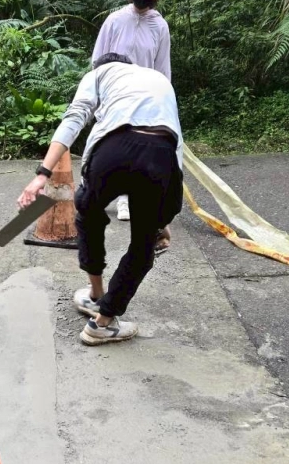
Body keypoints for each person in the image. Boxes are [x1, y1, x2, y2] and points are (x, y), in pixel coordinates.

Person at [17, 54, 183, 346]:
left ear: (101, 65)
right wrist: (163, 218)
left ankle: (95, 294)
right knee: (144, 244)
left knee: (89, 214)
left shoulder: (98, 75)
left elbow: (76, 117)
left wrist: (42, 173)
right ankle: (102, 322)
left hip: (113, 151)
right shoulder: (159, 80)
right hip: (161, 155)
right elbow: (175, 143)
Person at [91, 0, 172, 256]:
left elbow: (163, 68)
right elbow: (97, 60)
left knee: (140, 149)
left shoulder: (159, 26)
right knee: (115, 144)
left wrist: (165, 102)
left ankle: (132, 199)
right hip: (116, 94)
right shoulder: (114, 21)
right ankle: (113, 196)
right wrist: (97, 94)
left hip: (146, 98)